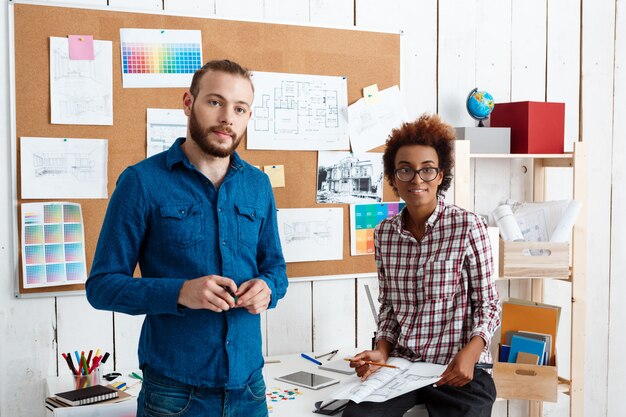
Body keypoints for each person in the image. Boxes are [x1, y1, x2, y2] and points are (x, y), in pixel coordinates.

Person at [86, 59, 288, 417]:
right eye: (215, 102)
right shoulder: (141, 182)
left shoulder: (258, 185)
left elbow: (276, 269)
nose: (228, 117)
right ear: (187, 103)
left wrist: (268, 287)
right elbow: (102, 286)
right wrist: (180, 292)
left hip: (250, 390)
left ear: (247, 117)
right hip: (174, 395)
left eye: (239, 108)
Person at [343, 114, 501, 417]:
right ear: (393, 177)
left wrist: (472, 352)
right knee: (355, 415)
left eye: (427, 170)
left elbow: (488, 304)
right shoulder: (385, 233)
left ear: (440, 175)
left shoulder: (468, 226)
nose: (417, 179)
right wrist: (381, 350)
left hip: (458, 365)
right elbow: (389, 306)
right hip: (404, 366)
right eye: (405, 170)